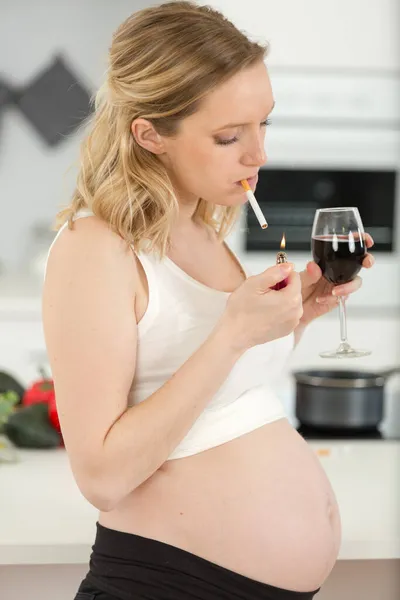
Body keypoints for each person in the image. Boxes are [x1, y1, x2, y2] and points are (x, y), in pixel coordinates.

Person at [42, 3, 375, 599]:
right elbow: (102, 477)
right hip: (165, 585)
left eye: (263, 124)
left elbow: (221, 390)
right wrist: (232, 335)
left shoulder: (206, 232)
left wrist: (301, 311)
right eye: (228, 136)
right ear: (150, 135)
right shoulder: (95, 249)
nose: (258, 156)